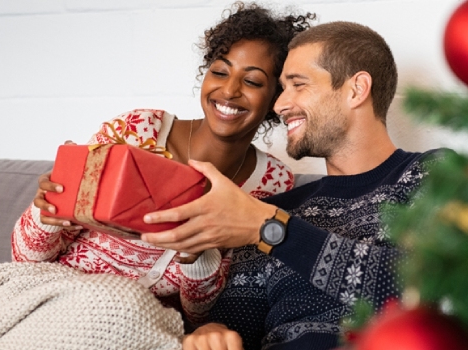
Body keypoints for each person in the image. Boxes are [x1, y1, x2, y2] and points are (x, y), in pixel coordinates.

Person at [141, 21, 448, 349]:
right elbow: (234, 326)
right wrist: (209, 334)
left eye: (298, 85)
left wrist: (269, 230)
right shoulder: (277, 208)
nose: (279, 105)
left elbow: (427, 287)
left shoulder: (431, 174)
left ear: (356, 89)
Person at [11, 1, 315, 330]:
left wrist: (197, 253)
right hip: (55, 306)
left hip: (143, 329)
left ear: (276, 97)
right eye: (219, 71)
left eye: (252, 82)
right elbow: (25, 262)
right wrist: (48, 213)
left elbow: (203, 316)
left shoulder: (271, 184)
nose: (229, 90)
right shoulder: (135, 130)